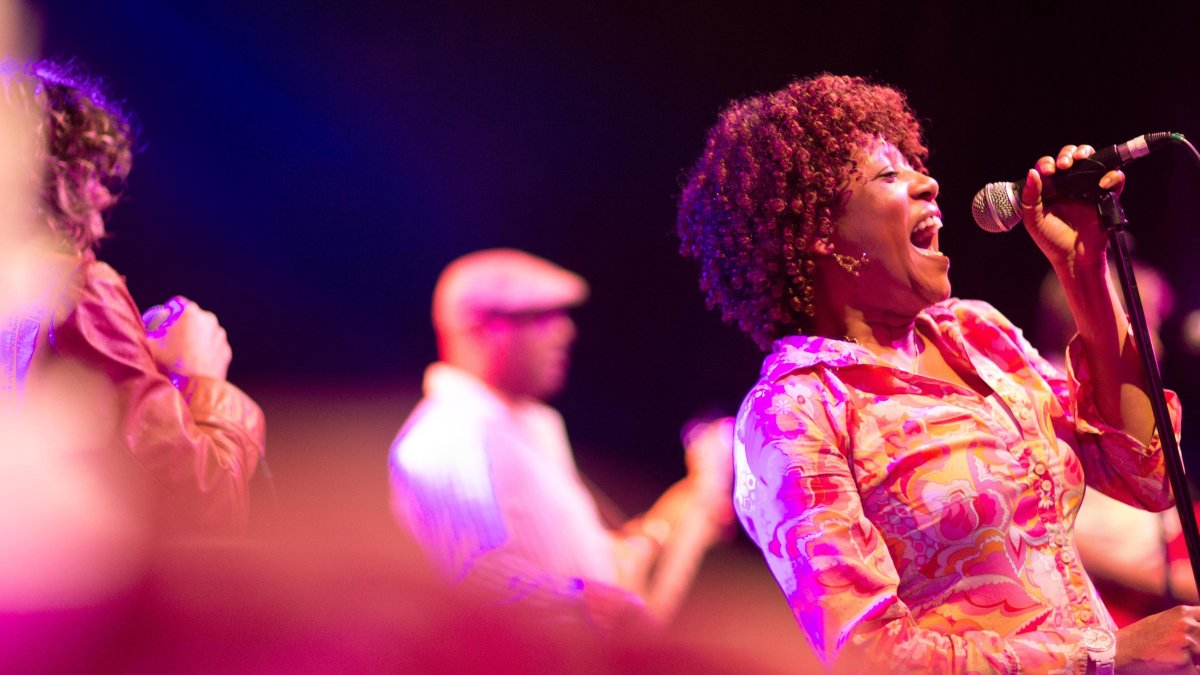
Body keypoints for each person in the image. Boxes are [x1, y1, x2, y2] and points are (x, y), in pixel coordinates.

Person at [675, 74, 1195, 672]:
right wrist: (1103, 657)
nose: (929, 182)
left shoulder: (977, 334)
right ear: (818, 229)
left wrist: (1084, 272)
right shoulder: (793, 414)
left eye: (912, 165)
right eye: (887, 176)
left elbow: (1147, 476)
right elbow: (870, 657)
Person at [388, 248, 732, 632]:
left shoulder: (527, 425)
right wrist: (592, 605)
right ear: (479, 328)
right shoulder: (448, 436)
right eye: (540, 317)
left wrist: (688, 506)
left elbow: (598, 570)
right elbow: (477, 584)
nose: (565, 332)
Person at [0, 61, 265, 535]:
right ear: (74, 176)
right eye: (98, 182)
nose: (101, 214)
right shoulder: (78, 292)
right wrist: (202, 379)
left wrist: (145, 370)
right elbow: (205, 506)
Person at [1036, 261, 1200, 626]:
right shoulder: (1044, 401)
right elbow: (1051, 537)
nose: (1157, 347)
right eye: (1146, 327)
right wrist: (1170, 583)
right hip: (1114, 607)